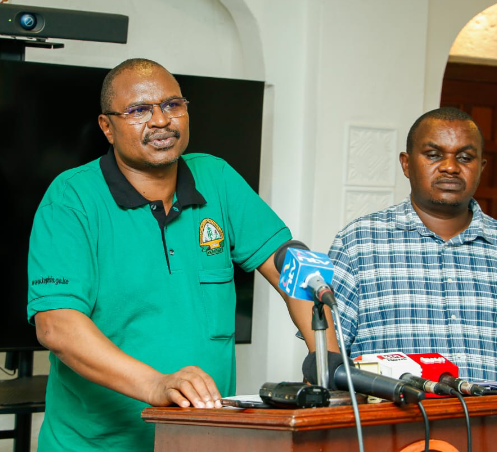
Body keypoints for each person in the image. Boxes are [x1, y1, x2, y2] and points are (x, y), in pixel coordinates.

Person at [27, 58, 324, 451]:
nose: (161, 120)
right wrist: (157, 384)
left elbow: (292, 268)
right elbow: (56, 326)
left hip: (202, 437)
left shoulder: (216, 178)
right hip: (95, 444)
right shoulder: (71, 199)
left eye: (172, 105)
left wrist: (327, 359)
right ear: (107, 127)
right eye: (138, 110)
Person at [327, 107, 497, 389]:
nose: (450, 167)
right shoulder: (357, 244)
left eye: (465, 157)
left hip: (496, 417)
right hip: (394, 418)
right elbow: (326, 360)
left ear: (481, 168)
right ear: (406, 164)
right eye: (433, 154)